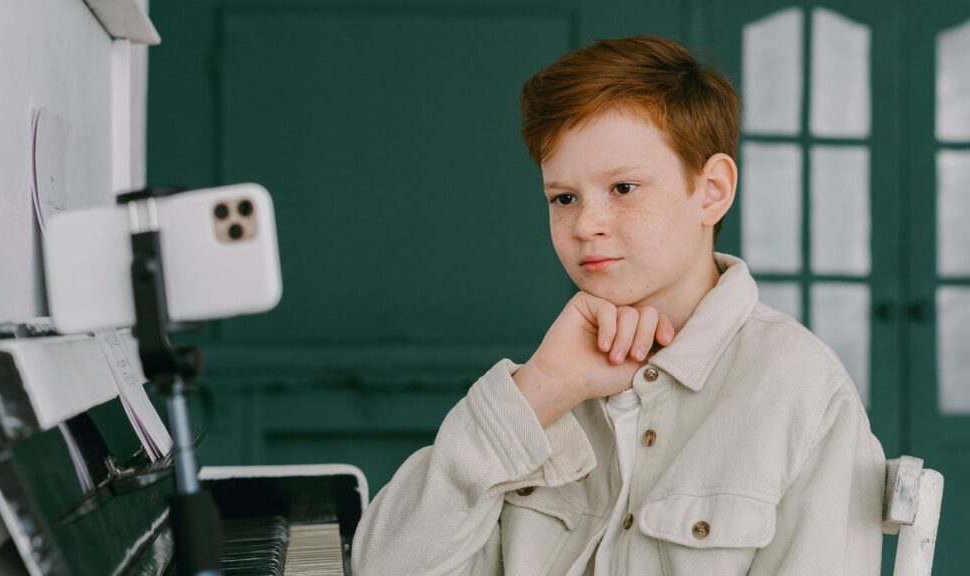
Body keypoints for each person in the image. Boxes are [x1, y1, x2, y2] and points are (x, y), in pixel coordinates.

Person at [351, 35, 886, 576]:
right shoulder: (556, 375)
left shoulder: (802, 394)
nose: (586, 225)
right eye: (564, 198)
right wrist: (539, 391)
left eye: (623, 188)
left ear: (712, 190)